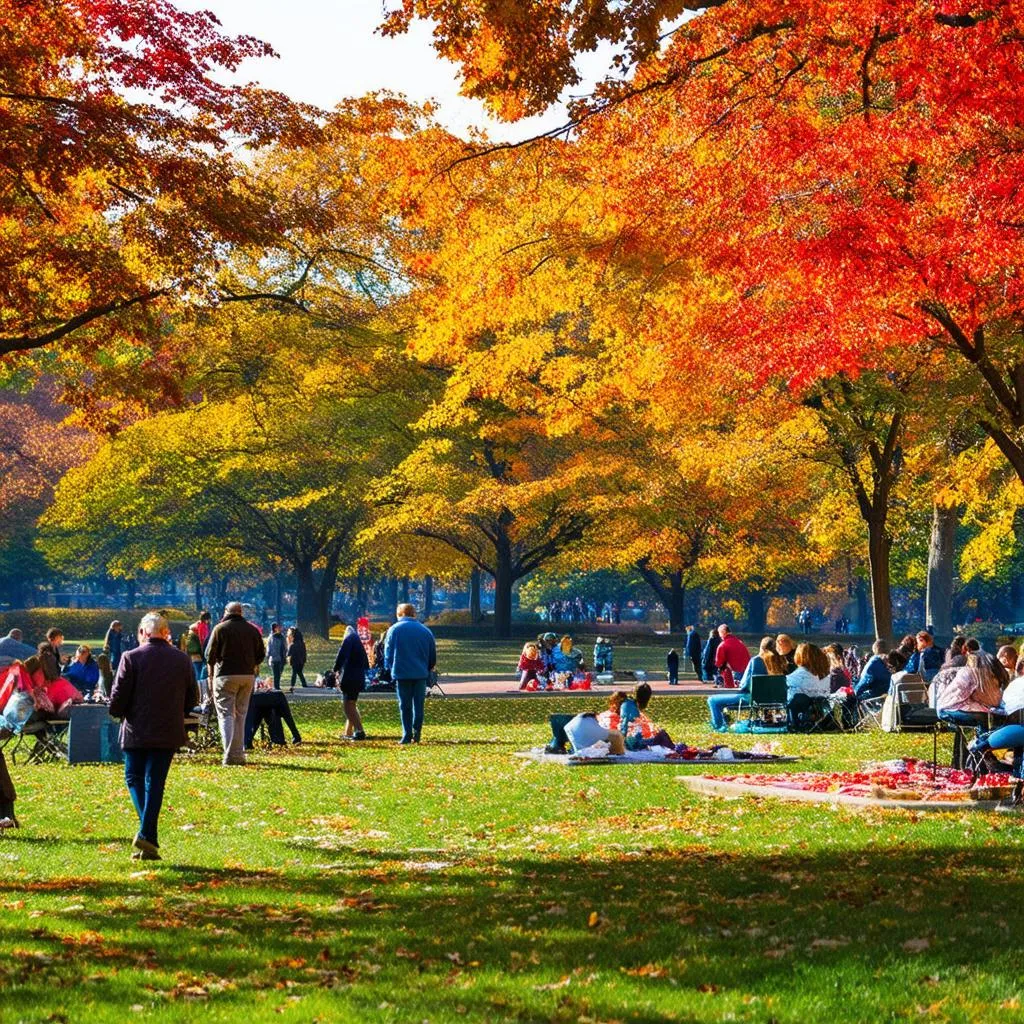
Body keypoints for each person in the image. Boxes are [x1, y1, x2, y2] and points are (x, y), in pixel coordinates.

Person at [109, 612, 199, 861]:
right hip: (168, 729)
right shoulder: (181, 660)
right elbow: (193, 698)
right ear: (166, 633)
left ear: (143, 633)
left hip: (137, 729)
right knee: (155, 783)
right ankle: (148, 835)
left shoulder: (131, 657)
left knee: (134, 777)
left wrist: (118, 712)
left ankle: (147, 832)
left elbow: (118, 697)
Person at [206, 601, 266, 766]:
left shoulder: (220, 629)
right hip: (247, 676)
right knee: (241, 715)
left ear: (226, 612)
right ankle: (239, 754)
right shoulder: (252, 630)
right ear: (241, 612)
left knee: (225, 715)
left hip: (225, 675)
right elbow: (261, 654)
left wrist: (213, 670)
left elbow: (209, 655)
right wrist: (251, 663)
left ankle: (228, 755)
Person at [707, 635, 788, 731]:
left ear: (761, 647)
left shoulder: (756, 661)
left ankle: (719, 727)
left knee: (713, 700)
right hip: (775, 699)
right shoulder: (781, 662)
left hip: (751, 698)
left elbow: (744, 685)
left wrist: (739, 683)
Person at [383, 604, 437, 745]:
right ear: (414, 614)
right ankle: (417, 732)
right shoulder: (425, 631)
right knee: (418, 705)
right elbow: (432, 655)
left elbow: (388, 653)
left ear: (399, 614)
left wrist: (389, 668)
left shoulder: (394, 630)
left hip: (402, 673)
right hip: (420, 673)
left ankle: (406, 734)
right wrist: (428, 668)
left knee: (405, 705)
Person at [334, 625, 368, 739]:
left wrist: (335, 669)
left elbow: (341, 656)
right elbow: (366, 663)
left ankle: (359, 730)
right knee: (351, 705)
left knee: (347, 706)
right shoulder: (358, 643)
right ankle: (348, 732)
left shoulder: (348, 640)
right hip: (359, 678)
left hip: (349, 678)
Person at [786, 642, 831, 724]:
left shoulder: (801, 674)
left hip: (800, 710)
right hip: (818, 709)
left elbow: (782, 683)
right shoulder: (824, 674)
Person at [714, 624, 750, 689]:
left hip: (732, 674)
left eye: (719, 632)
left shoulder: (723, 645)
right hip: (746, 672)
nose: (719, 635)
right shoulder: (740, 642)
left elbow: (718, 663)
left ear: (723, 632)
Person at [266, 623, 286, 690]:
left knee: (279, 673)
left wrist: (284, 656)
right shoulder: (271, 637)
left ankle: (277, 686)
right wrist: (268, 656)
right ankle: (276, 687)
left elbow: (284, 647)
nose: (280, 628)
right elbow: (269, 648)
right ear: (275, 628)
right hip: (274, 658)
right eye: (278, 627)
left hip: (281, 658)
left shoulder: (282, 637)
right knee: (276, 673)